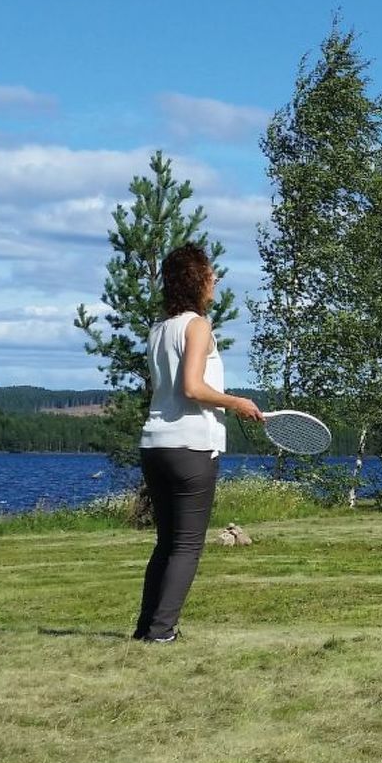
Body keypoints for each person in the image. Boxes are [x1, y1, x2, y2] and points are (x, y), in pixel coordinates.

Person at [134, 244, 262, 643]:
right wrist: (235, 402)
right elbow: (192, 387)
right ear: (197, 279)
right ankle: (161, 632)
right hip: (190, 447)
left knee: (167, 544)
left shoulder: (159, 329)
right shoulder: (198, 325)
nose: (216, 279)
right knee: (187, 546)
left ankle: (147, 628)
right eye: (211, 273)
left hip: (155, 445)